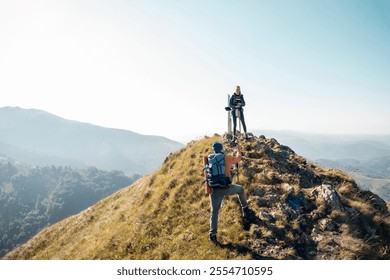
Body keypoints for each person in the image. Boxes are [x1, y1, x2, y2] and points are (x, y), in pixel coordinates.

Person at [208, 141, 252, 244]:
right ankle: (245, 208)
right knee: (240, 190)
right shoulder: (226, 157)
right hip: (226, 188)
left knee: (214, 212)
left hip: (214, 189)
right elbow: (238, 159)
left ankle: (212, 235)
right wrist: (239, 151)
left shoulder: (209, 159)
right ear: (222, 148)